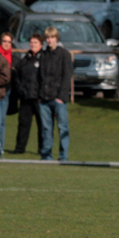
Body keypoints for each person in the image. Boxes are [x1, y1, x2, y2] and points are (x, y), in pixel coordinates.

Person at [37, 26, 72, 162]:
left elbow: (67, 76)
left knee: (63, 128)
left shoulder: (64, 54)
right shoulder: (43, 55)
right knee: (46, 129)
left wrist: (61, 97)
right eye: (47, 38)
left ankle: (63, 156)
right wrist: (40, 95)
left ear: (56, 38)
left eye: (52, 37)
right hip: (44, 98)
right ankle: (46, 155)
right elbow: (39, 76)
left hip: (58, 98)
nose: (49, 40)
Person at [10, 33, 44, 155]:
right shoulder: (25, 60)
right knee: (23, 124)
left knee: (42, 124)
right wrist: (21, 90)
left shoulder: (44, 59)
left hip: (40, 98)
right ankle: (20, 148)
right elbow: (17, 77)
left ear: (41, 44)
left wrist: (42, 93)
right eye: (31, 42)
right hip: (26, 97)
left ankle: (42, 149)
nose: (33, 45)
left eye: (35, 42)